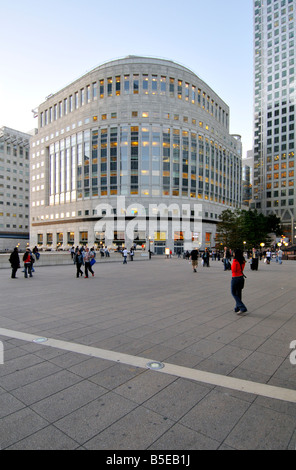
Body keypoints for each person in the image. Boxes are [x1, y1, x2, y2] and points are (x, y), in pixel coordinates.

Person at [231, 248, 247, 314]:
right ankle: (237, 308)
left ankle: (242, 307)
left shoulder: (235, 261)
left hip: (235, 278)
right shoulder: (243, 261)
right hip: (241, 278)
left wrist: (231, 265)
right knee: (239, 293)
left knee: (233, 293)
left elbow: (233, 270)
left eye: (234, 252)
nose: (233, 253)